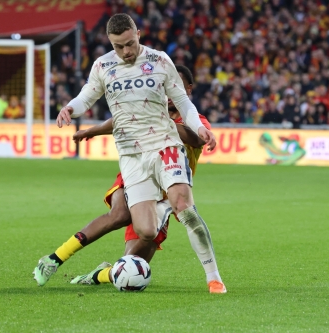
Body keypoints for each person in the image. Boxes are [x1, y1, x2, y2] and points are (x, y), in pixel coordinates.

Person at [33, 14, 226, 293]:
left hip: (164, 145)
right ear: (110, 43)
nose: (126, 51)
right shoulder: (103, 65)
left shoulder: (159, 61)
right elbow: (88, 95)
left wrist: (199, 128)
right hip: (131, 156)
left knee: (185, 207)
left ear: (138, 33)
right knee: (146, 231)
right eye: (118, 46)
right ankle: (104, 272)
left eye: (129, 43)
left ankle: (213, 277)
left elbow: (183, 101)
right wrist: (70, 108)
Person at [67, 65, 217, 288]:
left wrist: (163, 122)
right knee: (118, 215)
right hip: (139, 181)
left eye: (177, 87)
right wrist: (92, 131)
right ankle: (60, 255)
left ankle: (101, 274)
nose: (169, 93)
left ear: (189, 89)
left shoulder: (198, 121)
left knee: (135, 261)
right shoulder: (147, 111)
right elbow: (121, 119)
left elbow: (196, 139)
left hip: (168, 196)